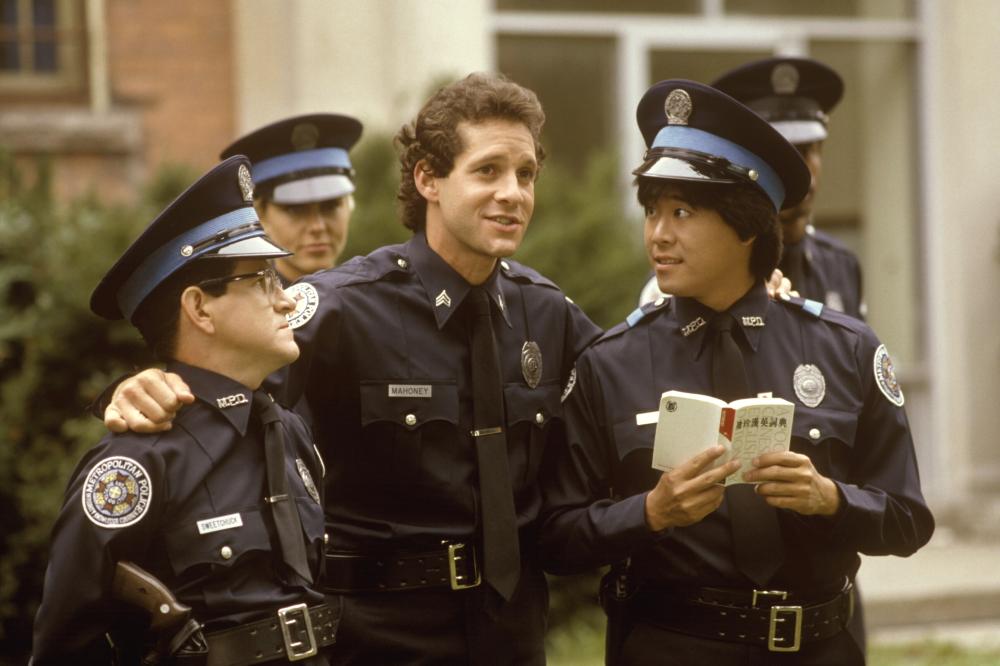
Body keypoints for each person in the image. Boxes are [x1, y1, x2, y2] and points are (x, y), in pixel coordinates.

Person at [99, 73, 602, 665]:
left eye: (526, 175)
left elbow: (621, 395)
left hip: (512, 634)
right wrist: (147, 386)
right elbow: (225, 391)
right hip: (376, 635)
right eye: (488, 171)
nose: (513, 193)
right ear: (428, 179)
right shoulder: (340, 307)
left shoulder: (546, 312)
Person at [539, 80, 934, 664]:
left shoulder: (845, 349)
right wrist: (649, 512)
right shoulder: (611, 362)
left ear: (747, 224)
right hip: (672, 646)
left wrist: (829, 499)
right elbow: (554, 536)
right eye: (652, 212)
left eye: (682, 212)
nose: (657, 234)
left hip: (820, 647)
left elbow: (908, 521)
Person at [32, 157, 336, 665]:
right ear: (199, 309)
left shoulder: (288, 430)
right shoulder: (135, 467)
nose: (287, 300)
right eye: (263, 280)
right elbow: (66, 644)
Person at [713, 56, 866, 319]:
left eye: (805, 151)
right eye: (778, 155)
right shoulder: (710, 272)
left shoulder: (841, 265)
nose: (795, 170)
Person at [221, 113, 363, 285]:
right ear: (260, 216)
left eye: (330, 206)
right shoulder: (244, 309)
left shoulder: (372, 301)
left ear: (350, 205)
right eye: (295, 209)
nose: (317, 226)